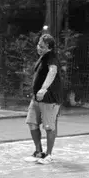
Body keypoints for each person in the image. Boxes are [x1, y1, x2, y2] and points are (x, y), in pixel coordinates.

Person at [24, 33, 63, 165]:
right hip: (36, 100)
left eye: (42, 46)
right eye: (38, 45)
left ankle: (49, 155)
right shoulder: (42, 58)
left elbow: (53, 71)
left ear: (49, 48)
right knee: (32, 123)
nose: (38, 48)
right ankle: (38, 152)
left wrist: (43, 88)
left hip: (49, 100)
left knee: (49, 127)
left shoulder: (51, 57)